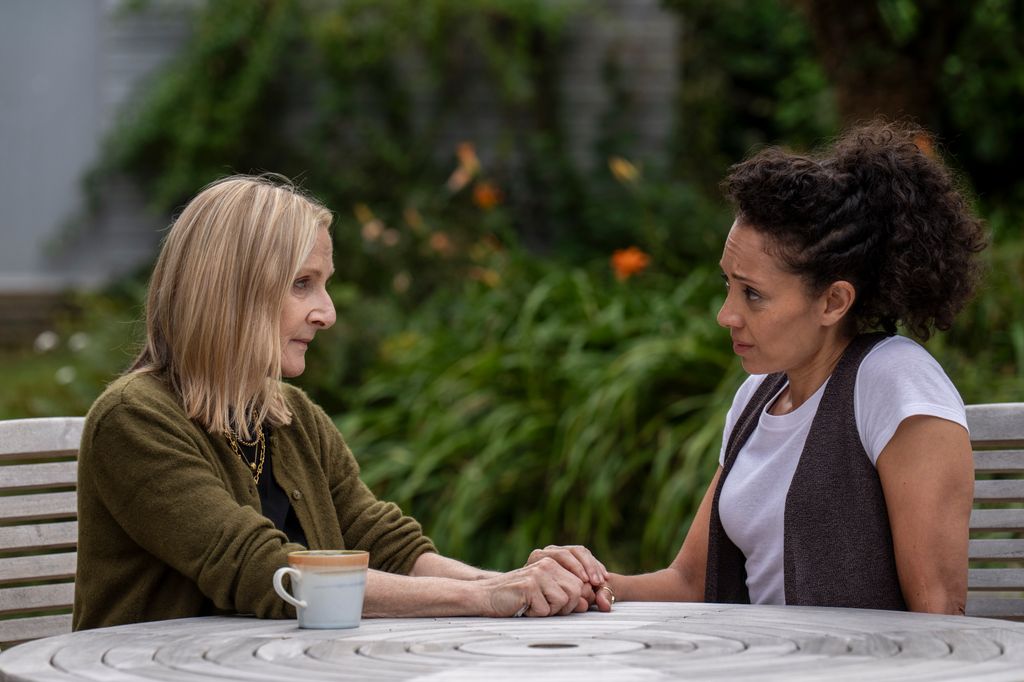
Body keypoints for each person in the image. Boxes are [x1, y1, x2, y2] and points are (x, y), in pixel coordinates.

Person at [73, 174, 606, 630]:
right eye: (302, 284)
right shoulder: (134, 420)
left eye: (324, 285)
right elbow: (266, 573)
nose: (327, 313)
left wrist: (518, 586)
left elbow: (386, 545)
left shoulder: (292, 417)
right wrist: (486, 598)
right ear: (230, 289)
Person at [536, 121, 987, 614]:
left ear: (834, 302)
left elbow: (940, 613)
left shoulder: (895, 382)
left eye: (753, 294)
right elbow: (691, 582)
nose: (726, 314)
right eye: (728, 285)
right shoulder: (758, 397)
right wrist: (580, 580)